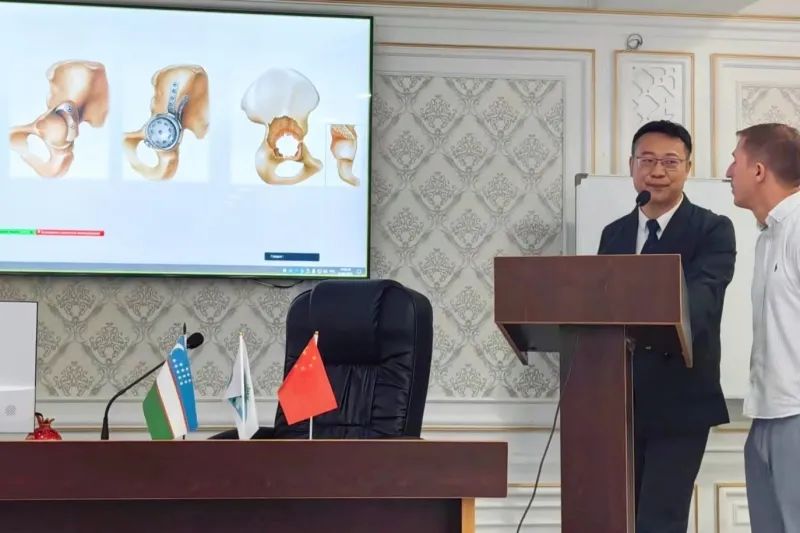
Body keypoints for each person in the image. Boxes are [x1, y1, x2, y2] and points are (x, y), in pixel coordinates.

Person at [598, 120, 736, 532]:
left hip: (681, 400)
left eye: (670, 162)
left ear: (688, 168)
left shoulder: (712, 229)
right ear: (631, 166)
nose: (657, 171)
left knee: (660, 520)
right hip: (618, 402)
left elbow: (702, 300)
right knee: (615, 517)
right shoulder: (614, 234)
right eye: (647, 160)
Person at [726, 122, 800, 533]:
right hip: (766, 415)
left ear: (758, 170)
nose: (727, 171)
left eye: (734, 161)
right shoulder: (769, 235)